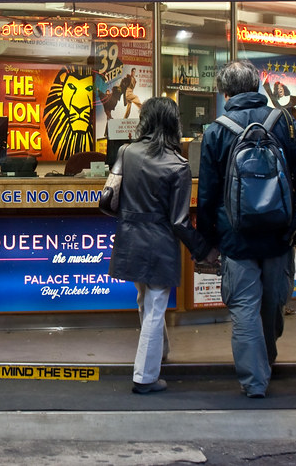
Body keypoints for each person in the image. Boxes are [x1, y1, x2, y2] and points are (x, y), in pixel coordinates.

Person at [197, 59, 296, 399]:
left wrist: (209, 238)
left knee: (244, 307)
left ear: (224, 92)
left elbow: (206, 193)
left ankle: (254, 380)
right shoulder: (285, 124)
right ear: (256, 87)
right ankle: (267, 359)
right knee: (272, 302)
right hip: (279, 232)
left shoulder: (215, 131)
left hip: (236, 235)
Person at [108, 97, 215, 394]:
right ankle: (144, 376)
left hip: (130, 237)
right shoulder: (178, 165)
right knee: (156, 307)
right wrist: (204, 250)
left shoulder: (125, 152)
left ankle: (160, 353)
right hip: (159, 242)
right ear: (173, 124)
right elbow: (180, 221)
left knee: (144, 300)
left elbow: (107, 198)